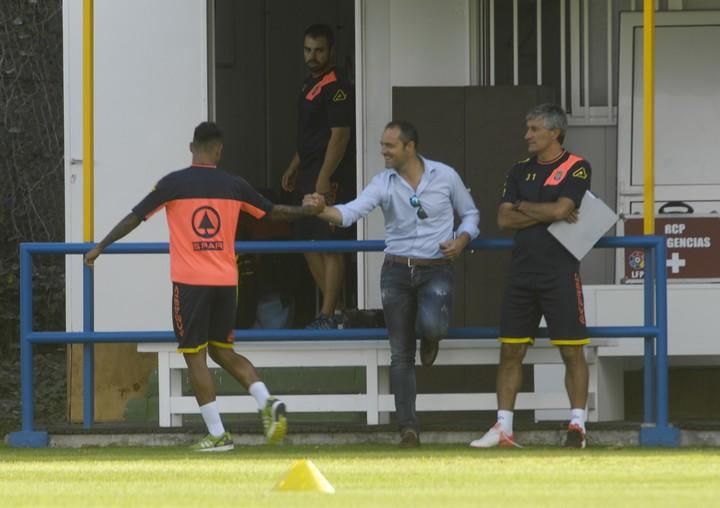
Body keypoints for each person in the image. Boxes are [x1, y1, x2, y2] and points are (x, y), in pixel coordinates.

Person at [84, 122, 324, 452]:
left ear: (191, 147)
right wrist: (308, 210)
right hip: (227, 282)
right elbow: (275, 213)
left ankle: (217, 434)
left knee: (195, 357)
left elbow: (134, 217)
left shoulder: (173, 184)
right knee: (222, 350)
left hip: (191, 284)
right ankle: (266, 400)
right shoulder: (235, 185)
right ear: (218, 150)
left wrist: (101, 246)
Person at [304, 120, 480, 447]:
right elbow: (350, 213)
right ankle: (408, 428)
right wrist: (322, 210)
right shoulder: (382, 182)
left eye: (389, 146)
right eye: (382, 145)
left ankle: (430, 337)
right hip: (396, 272)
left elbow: (470, 214)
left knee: (432, 326)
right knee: (400, 354)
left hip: (436, 268)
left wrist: (463, 239)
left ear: (409, 147)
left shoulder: (445, 175)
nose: (383, 151)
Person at [470, 103, 592, 449]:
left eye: (534, 129)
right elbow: (504, 219)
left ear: (555, 132)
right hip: (522, 271)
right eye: (528, 128)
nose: (527, 135)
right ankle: (503, 428)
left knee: (571, 351)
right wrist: (542, 211)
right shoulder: (518, 170)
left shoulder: (577, 166)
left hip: (561, 271)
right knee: (511, 350)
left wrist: (525, 206)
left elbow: (562, 209)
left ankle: (577, 427)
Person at [281, 23, 355, 329]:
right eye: (307, 50)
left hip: (329, 175)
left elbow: (339, 137)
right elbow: (310, 136)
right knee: (306, 240)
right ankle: (336, 311)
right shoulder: (306, 84)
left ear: (331, 50)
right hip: (307, 172)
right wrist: (293, 166)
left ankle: (326, 314)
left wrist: (325, 176)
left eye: (319, 50)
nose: (312, 56)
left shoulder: (337, 86)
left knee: (329, 242)